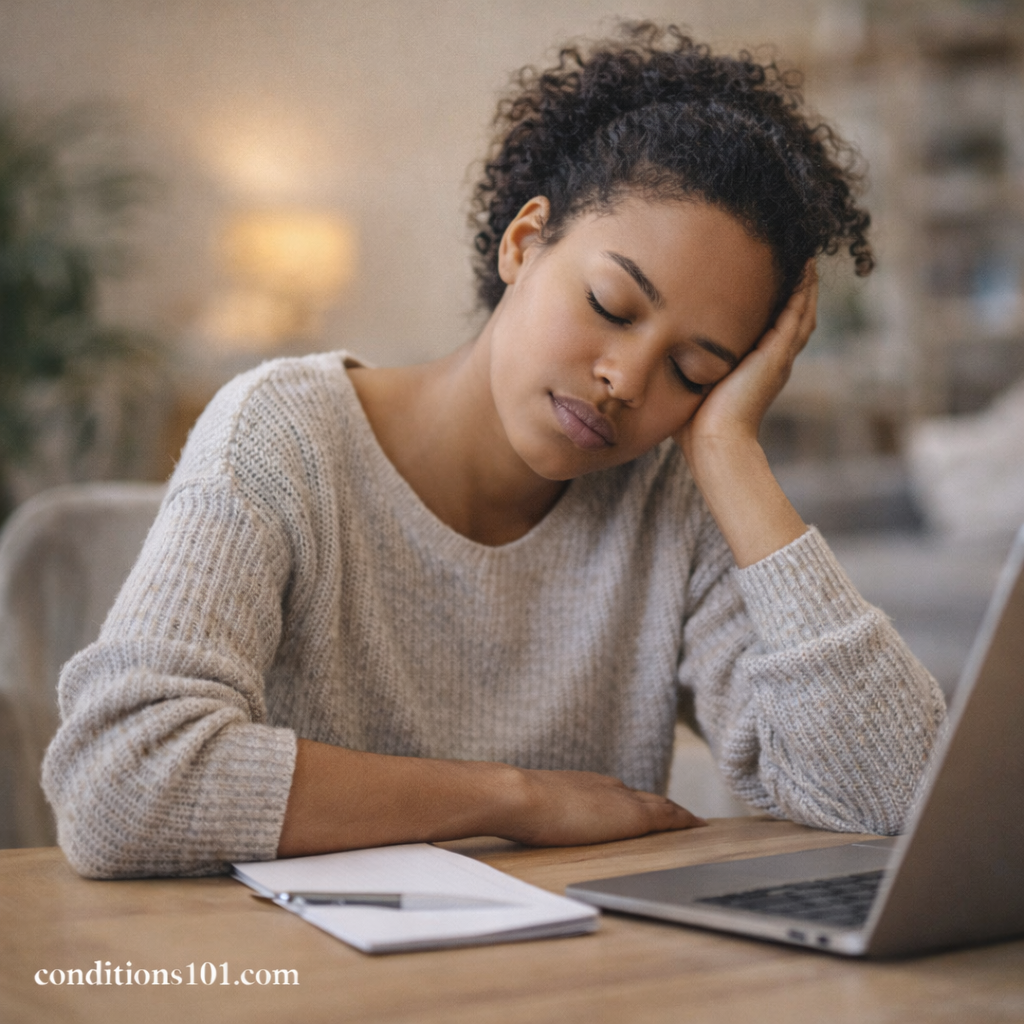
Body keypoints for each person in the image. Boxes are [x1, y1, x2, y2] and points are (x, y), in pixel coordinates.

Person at [42, 23, 945, 879]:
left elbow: (896, 804)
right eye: (610, 306)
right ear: (524, 242)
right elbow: (119, 781)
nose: (627, 380)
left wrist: (733, 455)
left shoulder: (669, 499)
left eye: (693, 367)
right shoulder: (282, 435)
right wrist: (514, 799)